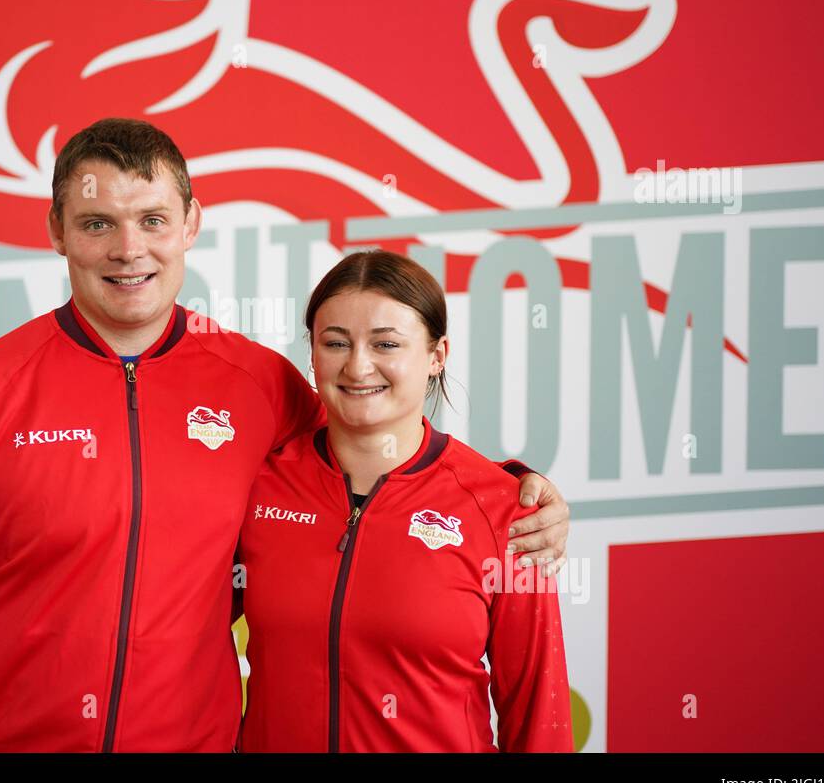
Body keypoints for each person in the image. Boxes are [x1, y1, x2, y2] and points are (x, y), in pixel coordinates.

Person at [0, 118, 571, 752]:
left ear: (190, 223)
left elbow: (378, 445)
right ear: (57, 230)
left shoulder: (258, 385)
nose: (128, 249)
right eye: (96, 224)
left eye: (152, 219)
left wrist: (514, 490)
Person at [237, 250, 572, 752]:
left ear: (437, 355)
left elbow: (538, 711)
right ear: (312, 352)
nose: (357, 365)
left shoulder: (506, 510)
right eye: (335, 343)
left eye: (386, 343)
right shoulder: (260, 484)